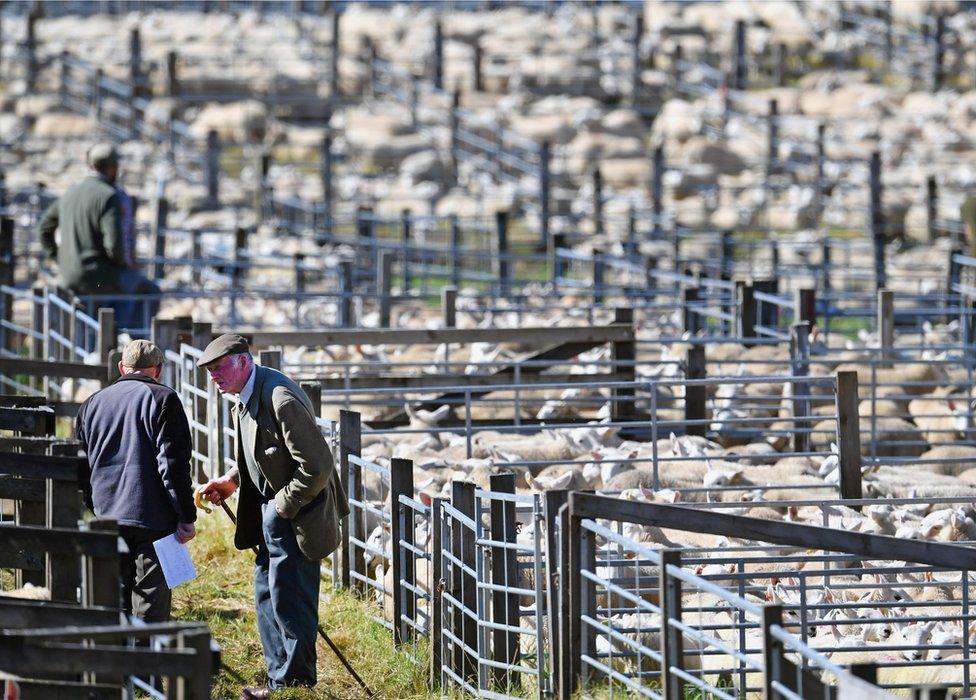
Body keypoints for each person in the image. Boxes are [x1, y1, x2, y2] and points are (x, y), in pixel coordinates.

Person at [197, 334, 348, 699]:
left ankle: (294, 685)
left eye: (219, 369)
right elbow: (265, 453)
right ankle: (276, 679)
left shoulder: (279, 399)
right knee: (267, 595)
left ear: (243, 362)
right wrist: (232, 480)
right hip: (272, 511)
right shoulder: (244, 397)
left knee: (290, 599)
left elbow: (318, 466)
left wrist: (283, 506)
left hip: (296, 516)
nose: (214, 377)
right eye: (210, 371)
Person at [75, 339, 196, 623]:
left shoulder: (92, 403)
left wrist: (94, 505)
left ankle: (112, 662)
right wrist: (185, 515)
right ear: (159, 369)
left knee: (112, 597)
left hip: (106, 514)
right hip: (153, 518)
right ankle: (145, 665)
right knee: (150, 603)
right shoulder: (164, 399)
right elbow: (173, 465)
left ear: (121, 367)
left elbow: (80, 466)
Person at [37, 142, 160, 330]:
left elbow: (44, 228)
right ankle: (128, 343)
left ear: (91, 165)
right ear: (112, 169)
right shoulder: (109, 196)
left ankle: (107, 337)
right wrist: (125, 265)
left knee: (114, 297)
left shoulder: (70, 192)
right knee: (149, 291)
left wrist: (58, 258)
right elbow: (114, 245)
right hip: (98, 277)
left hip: (69, 276)